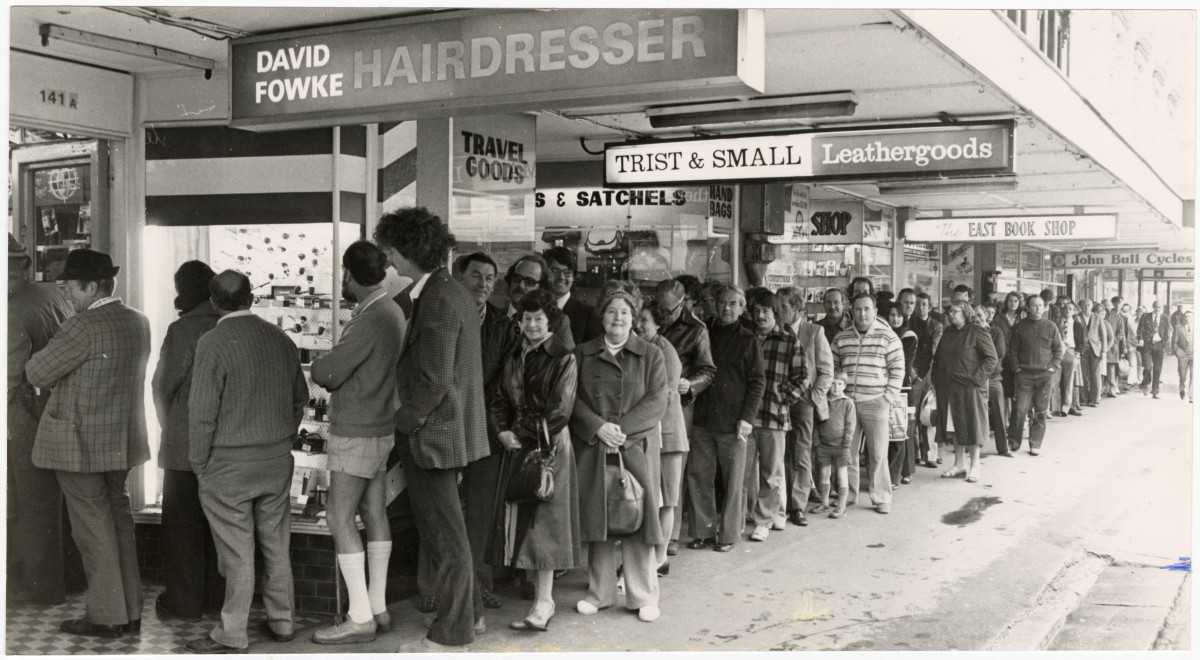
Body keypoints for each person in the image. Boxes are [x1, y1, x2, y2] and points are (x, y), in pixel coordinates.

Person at [375, 209, 490, 651]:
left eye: (391, 252)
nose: (389, 263)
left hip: (432, 435)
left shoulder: (438, 297)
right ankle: (471, 615)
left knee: (445, 538)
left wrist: (405, 421)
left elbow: (436, 377)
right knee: (451, 532)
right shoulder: (450, 290)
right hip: (450, 433)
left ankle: (450, 635)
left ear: (410, 250)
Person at [26, 249, 150, 638]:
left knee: (92, 531)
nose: (67, 299)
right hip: (120, 443)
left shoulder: (83, 327)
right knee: (119, 522)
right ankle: (129, 610)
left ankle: (106, 615)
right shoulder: (138, 321)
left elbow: (36, 370)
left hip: (78, 445)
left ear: (93, 287)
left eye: (71, 290)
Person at [185, 270, 307, 653]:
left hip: (228, 466)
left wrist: (199, 462)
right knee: (275, 544)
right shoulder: (280, 338)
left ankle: (233, 632)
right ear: (251, 298)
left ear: (214, 301)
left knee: (237, 551)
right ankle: (282, 620)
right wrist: (282, 437)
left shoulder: (213, 342)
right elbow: (299, 398)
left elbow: (202, 411)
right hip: (275, 461)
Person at [309, 242, 407, 644]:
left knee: (338, 517)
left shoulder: (370, 318)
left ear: (349, 275)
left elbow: (328, 372)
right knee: (374, 512)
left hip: (356, 427)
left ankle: (360, 617)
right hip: (383, 425)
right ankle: (378, 608)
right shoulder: (392, 310)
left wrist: (317, 364)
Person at [571, 284, 668, 623]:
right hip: (595, 446)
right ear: (602, 315)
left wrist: (620, 430)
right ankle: (599, 593)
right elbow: (571, 399)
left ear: (634, 318)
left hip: (634, 448)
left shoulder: (651, 355)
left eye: (625, 312)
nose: (618, 318)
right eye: (612, 311)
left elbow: (657, 400)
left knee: (638, 517)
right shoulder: (581, 353)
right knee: (600, 519)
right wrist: (597, 427)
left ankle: (642, 595)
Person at [489, 288, 580, 632]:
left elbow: (560, 411)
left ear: (551, 322)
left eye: (539, 318)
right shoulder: (515, 354)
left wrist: (518, 431)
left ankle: (545, 601)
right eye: (526, 318)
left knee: (544, 522)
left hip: (549, 445)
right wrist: (501, 431)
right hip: (518, 442)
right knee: (524, 520)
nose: (531, 325)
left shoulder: (563, 357)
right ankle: (539, 598)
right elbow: (499, 398)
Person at [150, 261, 224, 622]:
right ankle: (215, 599)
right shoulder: (228, 323)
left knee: (182, 526)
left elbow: (163, 385)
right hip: (224, 445)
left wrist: (169, 425)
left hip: (184, 442)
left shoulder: (182, 329)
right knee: (219, 525)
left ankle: (183, 601)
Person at [7, 234, 74, 606]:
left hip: (23, 415)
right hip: (54, 409)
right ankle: (65, 578)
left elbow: (8, 377)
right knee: (50, 499)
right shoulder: (51, 294)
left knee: (28, 502)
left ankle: (40, 587)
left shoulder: (13, 310)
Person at [452, 251, 521, 611]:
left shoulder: (503, 326)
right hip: (446, 424)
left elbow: (505, 384)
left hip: (484, 428)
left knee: (481, 510)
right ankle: (433, 585)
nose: (483, 284)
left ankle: (480, 583)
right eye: (476, 276)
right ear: (459, 277)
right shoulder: (442, 315)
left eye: (490, 278)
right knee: (442, 507)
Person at [687, 286, 766, 550]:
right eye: (722, 302)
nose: (727, 308)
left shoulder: (748, 339)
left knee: (734, 482)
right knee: (699, 476)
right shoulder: (703, 334)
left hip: (734, 423)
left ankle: (728, 535)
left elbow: (757, 383)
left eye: (734, 304)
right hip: (703, 419)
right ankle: (704, 531)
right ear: (715, 305)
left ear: (742, 308)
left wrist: (747, 418)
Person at [655, 279, 716, 556]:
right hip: (650, 400)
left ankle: (671, 536)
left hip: (680, 405)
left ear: (684, 303)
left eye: (670, 310)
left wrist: (690, 384)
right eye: (661, 310)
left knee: (673, 472)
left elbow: (708, 371)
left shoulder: (697, 330)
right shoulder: (649, 318)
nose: (664, 316)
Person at [830, 293, 906, 514]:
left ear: (875, 311)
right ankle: (849, 496)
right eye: (857, 309)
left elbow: (898, 371)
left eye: (866, 309)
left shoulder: (888, 337)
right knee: (848, 452)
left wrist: (886, 399)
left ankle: (882, 497)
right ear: (851, 311)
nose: (862, 314)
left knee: (878, 454)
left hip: (876, 402)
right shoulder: (841, 339)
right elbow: (834, 370)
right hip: (847, 405)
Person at [743, 289, 807, 542]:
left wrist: (781, 396)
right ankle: (747, 515)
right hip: (746, 416)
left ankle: (764, 520)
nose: (760, 316)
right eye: (756, 311)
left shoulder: (789, 341)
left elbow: (802, 379)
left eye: (766, 311)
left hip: (773, 416)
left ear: (776, 313)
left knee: (771, 472)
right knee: (745, 472)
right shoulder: (747, 338)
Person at [635, 301, 687, 576]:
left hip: (667, 433)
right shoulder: (645, 348)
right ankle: (655, 557)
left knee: (667, 499)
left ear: (658, 324)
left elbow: (663, 395)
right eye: (638, 320)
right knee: (654, 499)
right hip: (652, 433)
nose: (638, 325)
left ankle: (660, 556)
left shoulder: (665, 351)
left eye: (644, 320)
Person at [775, 286, 832, 527]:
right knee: (779, 453)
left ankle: (797, 506)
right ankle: (779, 504)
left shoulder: (814, 331)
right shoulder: (775, 330)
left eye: (784, 308)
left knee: (801, 452)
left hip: (803, 401)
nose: (780, 313)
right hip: (778, 398)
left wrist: (813, 397)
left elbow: (827, 370)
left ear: (797, 306)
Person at [932, 302, 998, 483]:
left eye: (954, 312)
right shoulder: (948, 332)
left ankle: (975, 466)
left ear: (965, 313)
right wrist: (937, 381)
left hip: (969, 387)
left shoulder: (977, 331)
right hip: (948, 387)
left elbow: (991, 358)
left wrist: (977, 379)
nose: (950, 315)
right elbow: (938, 358)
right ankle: (959, 464)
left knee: (972, 425)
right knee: (953, 426)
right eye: (949, 312)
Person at [1004, 295, 1064, 456]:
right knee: (1019, 410)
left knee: (1040, 411)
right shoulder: (1020, 326)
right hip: (1024, 375)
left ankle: (1035, 443)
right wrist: (1016, 368)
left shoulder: (1051, 326)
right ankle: (1014, 442)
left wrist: (1052, 367)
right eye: (1033, 305)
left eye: (1040, 305)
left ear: (1045, 308)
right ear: (1028, 308)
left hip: (1045, 375)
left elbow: (1059, 350)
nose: (1037, 308)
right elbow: (1012, 350)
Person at [502, 253, 575, 349]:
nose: (521, 286)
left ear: (541, 288)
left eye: (530, 282)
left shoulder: (558, 323)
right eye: (517, 278)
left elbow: (567, 361)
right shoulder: (494, 317)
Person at [810, 371, 856, 519]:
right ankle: (824, 502)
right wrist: (816, 440)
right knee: (824, 475)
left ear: (845, 386)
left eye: (840, 384)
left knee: (842, 475)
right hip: (823, 445)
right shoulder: (822, 401)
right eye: (833, 383)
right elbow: (816, 423)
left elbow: (850, 425)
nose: (836, 387)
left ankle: (841, 505)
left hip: (841, 446)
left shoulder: (847, 403)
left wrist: (846, 443)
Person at [884, 303, 919, 484]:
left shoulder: (909, 336)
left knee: (903, 430)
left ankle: (905, 472)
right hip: (885, 387)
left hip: (903, 388)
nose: (895, 318)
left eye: (899, 315)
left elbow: (905, 365)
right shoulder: (883, 334)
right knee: (890, 432)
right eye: (891, 315)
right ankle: (890, 473)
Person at [544, 246, 601, 343]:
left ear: (574, 277)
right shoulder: (535, 308)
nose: (561, 277)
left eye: (567, 272)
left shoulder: (588, 315)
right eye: (555, 271)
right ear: (544, 273)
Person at [977, 302, 1011, 456]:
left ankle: (1003, 447)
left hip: (992, 378)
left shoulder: (996, 332)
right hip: (975, 378)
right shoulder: (969, 332)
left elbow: (998, 356)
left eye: (980, 316)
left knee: (999, 413)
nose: (978, 319)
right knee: (975, 413)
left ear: (987, 317)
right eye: (975, 316)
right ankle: (971, 446)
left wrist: (984, 372)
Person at [1050, 299, 1082, 418]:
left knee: (1069, 381)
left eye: (1070, 309)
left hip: (1071, 351)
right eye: (1065, 308)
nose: (1067, 310)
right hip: (1057, 351)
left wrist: (1078, 354)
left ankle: (1066, 407)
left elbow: (1081, 340)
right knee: (1054, 380)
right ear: (1062, 310)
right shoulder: (1056, 323)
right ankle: (1054, 408)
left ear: (1074, 311)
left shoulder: (1077, 324)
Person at [1076, 300, 1110, 407]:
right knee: (1084, 375)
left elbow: (1104, 335)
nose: (1087, 307)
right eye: (1084, 305)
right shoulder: (1076, 317)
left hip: (1096, 350)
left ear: (1091, 306)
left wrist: (1104, 351)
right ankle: (1084, 399)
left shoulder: (1097, 317)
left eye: (1089, 305)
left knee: (1095, 375)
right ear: (1080, 306)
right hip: (1082, 350)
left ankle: (1094, 399)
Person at [1137, 300, 1172, 399]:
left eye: (1159, 307)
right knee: (1147, 367)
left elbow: (1168, 331)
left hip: (1159, 345)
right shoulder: (1145, 316)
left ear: (1162, 308)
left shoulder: (1165, 318)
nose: (1157, 309)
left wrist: (1163, 343)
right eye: (1156, 307)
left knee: (1157, 369)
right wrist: (1140, 339)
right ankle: (1145, 383)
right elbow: (1139, 329)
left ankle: (1155, 391)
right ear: (1153, 307)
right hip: (1147, 345)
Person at [1103, 303, 1125, 398]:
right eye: (1104, 305)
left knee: (1111, 369)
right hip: (1099, 346)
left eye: (1108, 305)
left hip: (1112, 346)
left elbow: (1121, 331)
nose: (1107, 307)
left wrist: (1115, 340)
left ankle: (1111, 390)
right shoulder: (1097, 315)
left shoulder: (1117, 317)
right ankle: (1100, 389)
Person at [1173, 311, 1193, 403]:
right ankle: (1182, 388)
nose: (1188, 319)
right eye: (1186, 317)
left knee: (1194, 375)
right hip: (1183, 355)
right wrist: (1179, 354)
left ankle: (1191, 396)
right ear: (1183, 318)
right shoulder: (1178, 328)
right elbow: (1174, 343)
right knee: (1183, 376)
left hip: (1194, 355)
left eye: (1190, 317)